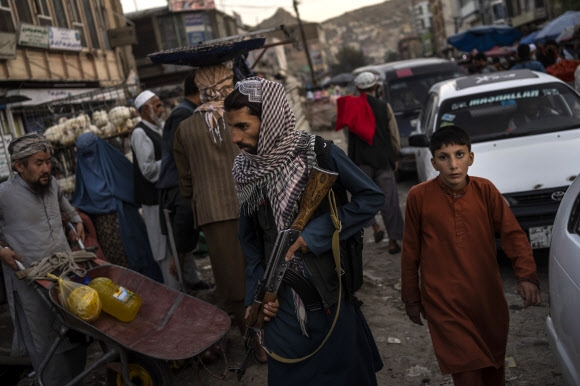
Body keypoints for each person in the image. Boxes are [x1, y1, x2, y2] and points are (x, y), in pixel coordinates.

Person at [227, 77, 384, 385]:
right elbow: (250, 243)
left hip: (330, 297)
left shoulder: (316, 153)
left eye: (242, 126)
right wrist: (256, 297)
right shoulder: (246, 171)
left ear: (269, 119)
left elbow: (371, 198)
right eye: (231, 127)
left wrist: (315, 235)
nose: (234, 137)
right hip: (281, 307)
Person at [401, 125, 541, 385]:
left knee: (492, 370)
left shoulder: (485, 191)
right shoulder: (418, 197)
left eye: (459, 155)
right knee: (466, 372)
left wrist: (527, 276)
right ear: (433, 162)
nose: (453, 165)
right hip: (444, 303)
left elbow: (513, 235)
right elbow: (410, 252)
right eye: (444, 157)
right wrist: (411, 298)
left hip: (486, 300)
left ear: (471, 158)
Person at [0, 133, 87, 385]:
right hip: (31, 280)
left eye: (48, 161)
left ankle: (77, 379)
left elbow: (64, 204)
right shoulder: (4, 194)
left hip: (64, 272)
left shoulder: (51, 185)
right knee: (45, 340)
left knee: (75, 329)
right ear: (19, 166)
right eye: (39, 163)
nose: (46, 168)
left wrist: (76, 220)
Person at [173, 64, 247, 332]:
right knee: (257, 265)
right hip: (249, 203)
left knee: (229, 275)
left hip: (211, 211)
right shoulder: (242, 118)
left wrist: (197, 197)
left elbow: (185, 180)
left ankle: (247, 328)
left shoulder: (184, 129)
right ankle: (264, 329)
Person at [131, 90, 205, 289]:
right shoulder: (139, 133)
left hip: (169, 195)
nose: (161, 108)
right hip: (154, 200)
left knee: (180, 238)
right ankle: (174, 290)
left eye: (160, 104)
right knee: (163, 247)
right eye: (156, 105)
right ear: (145, 110)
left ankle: (191, 280)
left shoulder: (160, 127)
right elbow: (147, 170)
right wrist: (173, 163)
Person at [73, 132, 163, 281]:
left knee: (139, 260)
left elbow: (133, 185)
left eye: (91, 152)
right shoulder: (86, 174)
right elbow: (80, 201)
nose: (90, 159)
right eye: (85, 154)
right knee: (118, 267)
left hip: (126, 221)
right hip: (106, 229)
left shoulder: (115, 164)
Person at [336, 71, 404, 253]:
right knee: (390, 202)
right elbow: (393, 135)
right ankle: (393, 242)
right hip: (383, 160)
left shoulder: (351, 107)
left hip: (361, 163)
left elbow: (347, 137)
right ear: (376, 86)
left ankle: (375, 227)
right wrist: (394, 156)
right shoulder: (384, 106)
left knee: (363, 199)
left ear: (358, 88)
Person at [156, 71, 212, 291]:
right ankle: (183, 277)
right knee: (183, 229)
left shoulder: (189, 111)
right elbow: (183, 153)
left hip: (180, 180)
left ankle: (189, 278)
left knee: (187, 230)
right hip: (176, 183)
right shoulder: (183, 114)